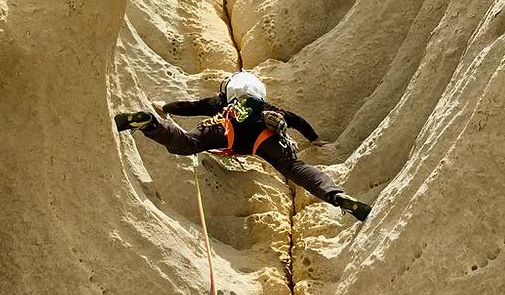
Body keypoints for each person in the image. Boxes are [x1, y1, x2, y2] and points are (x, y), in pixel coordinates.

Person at [115, 71, 371, 222]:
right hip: (264, 137)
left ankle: (149, 125)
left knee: (187, 144)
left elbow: (191, 107)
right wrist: (314, 139)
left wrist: (164, 108)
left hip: (228, 129)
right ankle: (336, 196)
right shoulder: (271, 109)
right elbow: (298, 122)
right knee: (296, 169)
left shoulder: (222, 104)